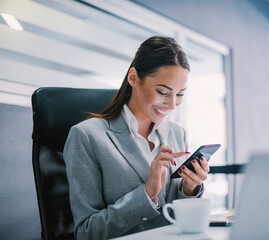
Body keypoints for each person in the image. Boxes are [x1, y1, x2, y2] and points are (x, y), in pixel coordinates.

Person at [64, 36, 210, 240]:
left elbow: (174, 218)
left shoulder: (177, 133)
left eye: (180, 94)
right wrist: (147, 192)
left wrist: (189, 188)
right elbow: (87, 232)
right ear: (133, 78)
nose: (173, 104)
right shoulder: (87, 136)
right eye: (163, 92)